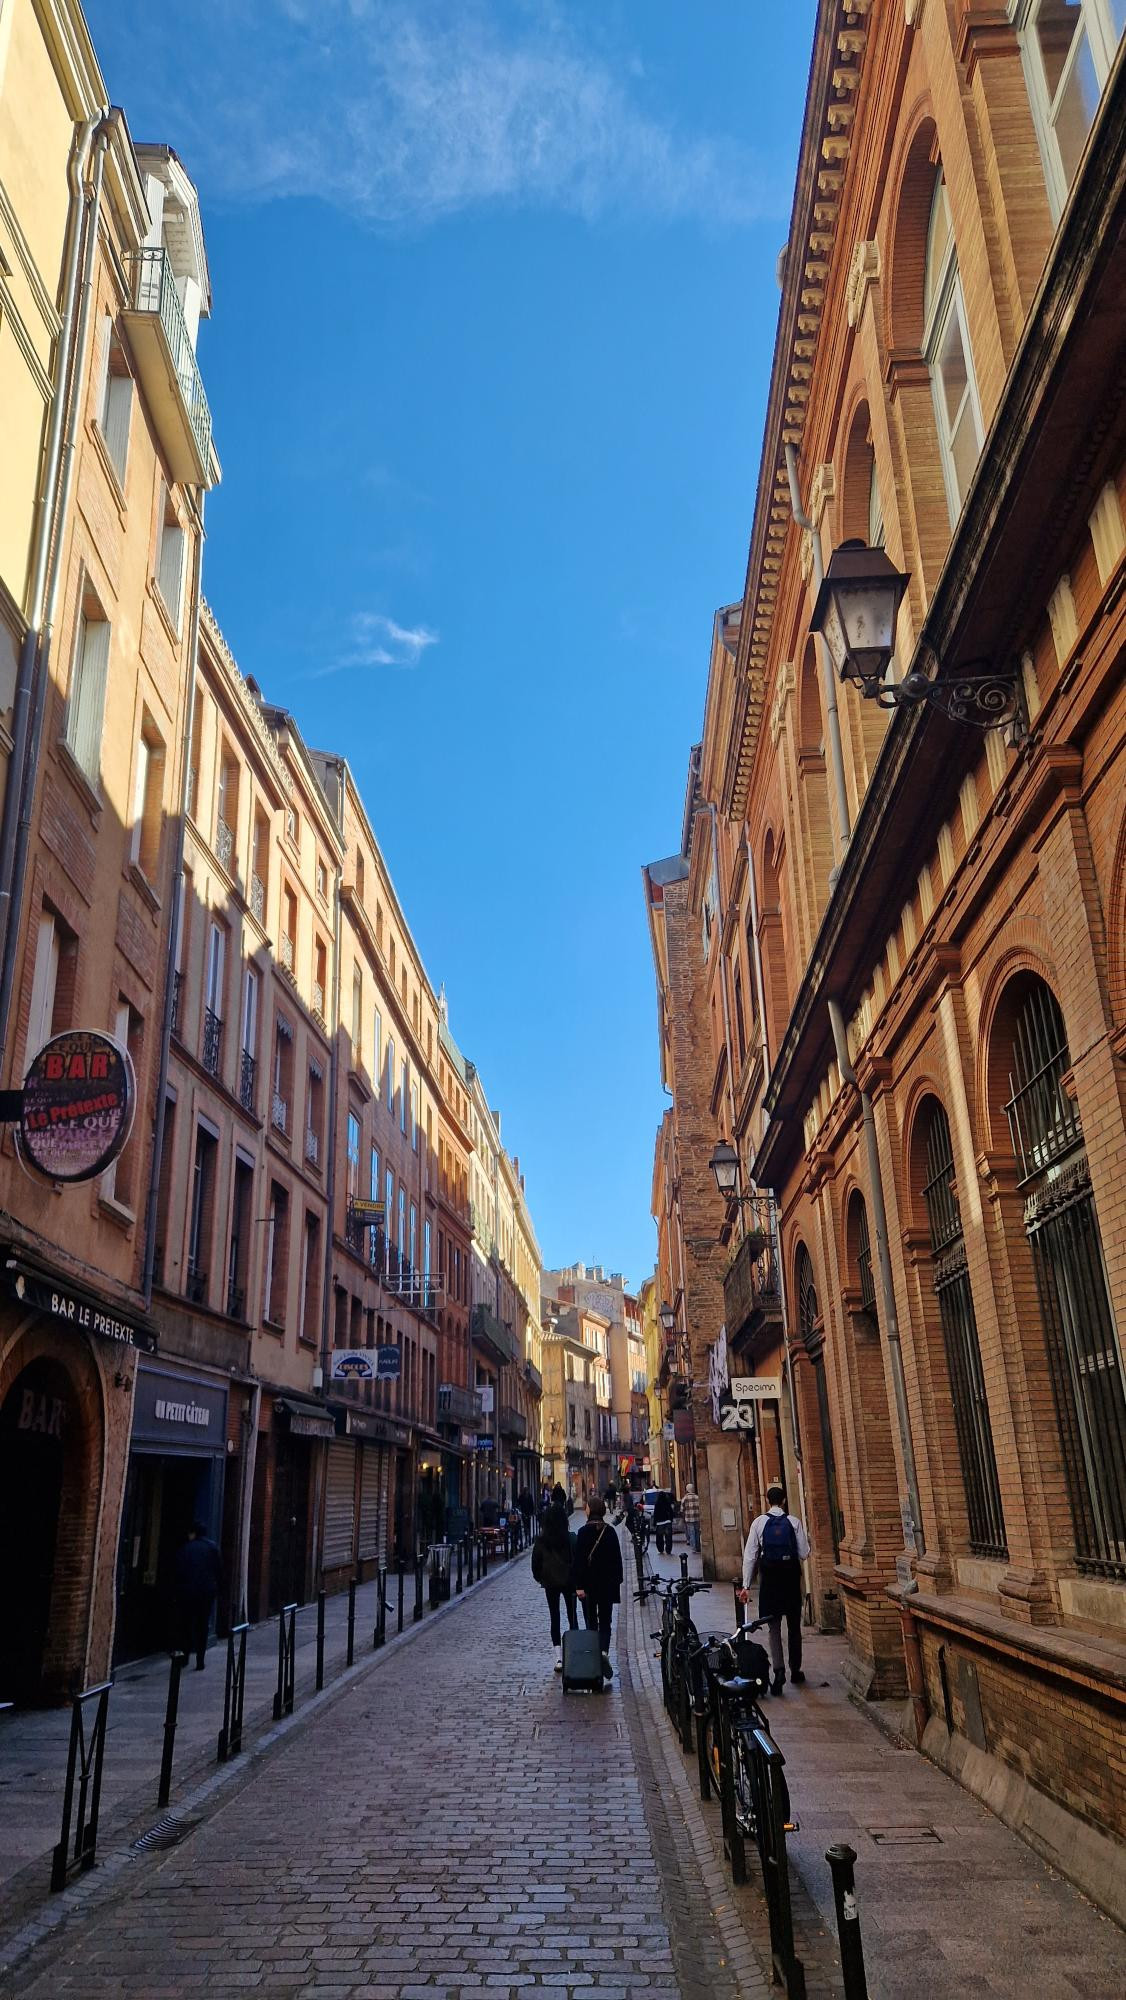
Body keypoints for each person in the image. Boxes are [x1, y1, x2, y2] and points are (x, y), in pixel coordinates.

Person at [739, 1482, 810, 1695]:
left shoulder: (759, 1523)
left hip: (769, 1580)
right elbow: (804, 1553)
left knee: (773, 1626)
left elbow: (750, 1556)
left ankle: (778, 1671)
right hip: (789, 1578)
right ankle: (795, 1670)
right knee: (793, 1626)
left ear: (768, 1501)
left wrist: (745, 1586)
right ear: (784, 1500)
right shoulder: (794, 1522)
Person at [573, 1494, 624, 1679]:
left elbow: (578, 1562)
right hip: (607, 1585)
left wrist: (579, 1586)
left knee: (591, 1622)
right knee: (606, 1621)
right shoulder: (609, 1531)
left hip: (589, 1586)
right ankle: (603, 1653)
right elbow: (617, 1561)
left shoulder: (583, 1532)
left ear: (590, 1510)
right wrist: (617, 1582)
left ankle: (595, 1657)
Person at [531, 1502, 578, 1672]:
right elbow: (578, 1560)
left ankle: (558, 1657)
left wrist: (541, 1578)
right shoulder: (570, 1538)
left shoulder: (541, 1542)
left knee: (555, 1617)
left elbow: (535, 1564)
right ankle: (574, 1653)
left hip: (550, 1583)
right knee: (572, 1616)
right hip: (569, 1582)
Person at [173, 1519, 222, 1670]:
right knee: (202, 1626)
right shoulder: (212, 1548)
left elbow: (178, 1571)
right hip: (206, 1593)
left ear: (193, 1533)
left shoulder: (185, 1548)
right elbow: (219, 1571)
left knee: (186, 1626)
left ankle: (185, 1657)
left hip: (187, 1593)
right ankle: (200, 1659)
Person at [651, 1486, 675, 1557]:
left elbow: (655, 1514)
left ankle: (660, 1549)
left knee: (659, 1538)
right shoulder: (667, 1503)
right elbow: (671, 1512)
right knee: (668, 1537)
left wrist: (654, 1523)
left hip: (660, 1523)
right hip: (667, 1522)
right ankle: (668, 1550)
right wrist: (671, 1519)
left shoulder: (657, 1504)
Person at [680, 1482, 702, 1554]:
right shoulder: (697, 1497)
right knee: (697, 1532)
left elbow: (682, 1510)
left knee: (691, 1533)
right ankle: (698, 1547)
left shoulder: (684, 1498)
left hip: (689, 1519)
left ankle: (694, 1548)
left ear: (687, 1489)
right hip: (697, 1518)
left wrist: (683, 1518)